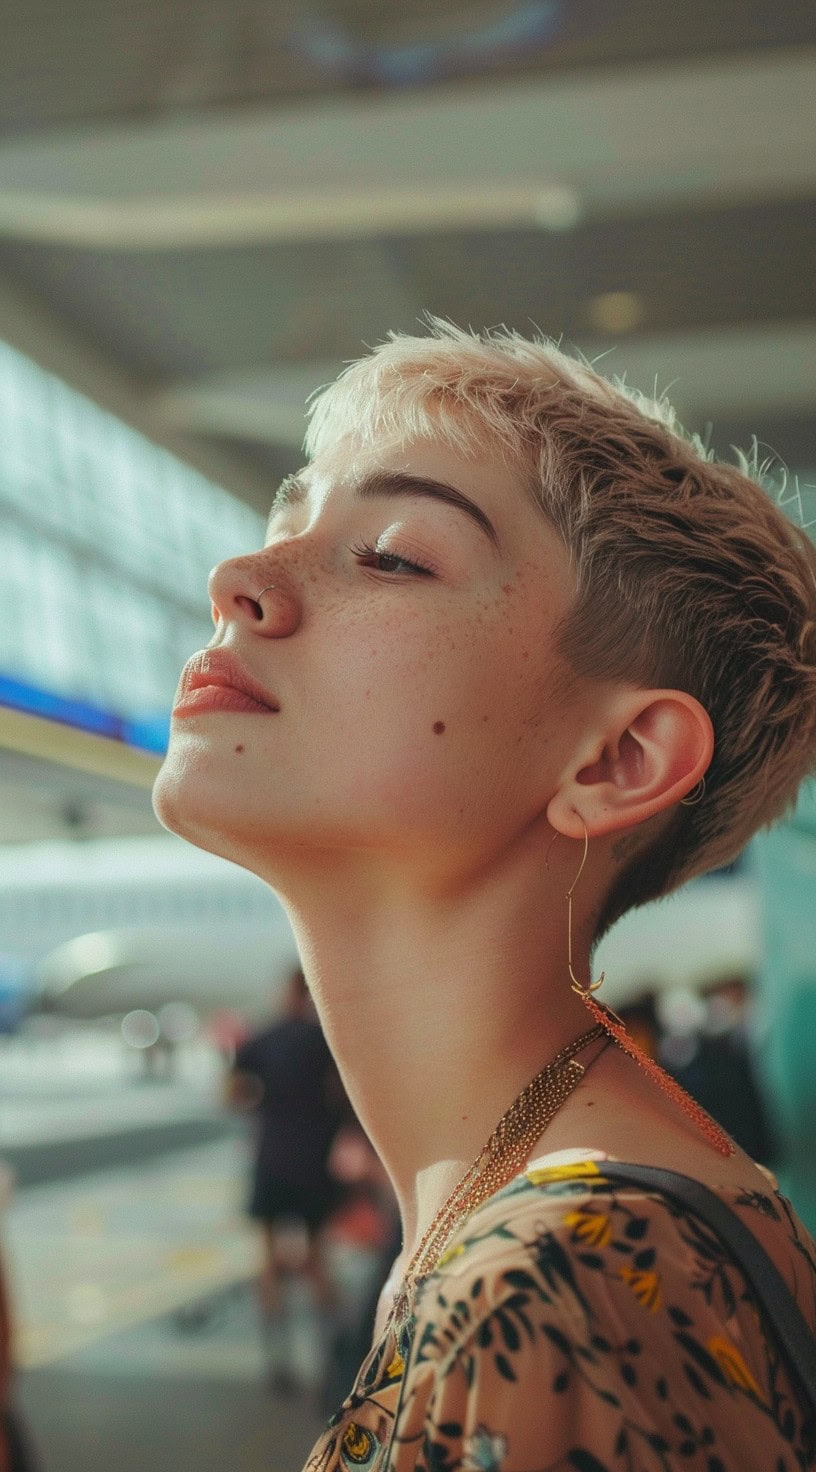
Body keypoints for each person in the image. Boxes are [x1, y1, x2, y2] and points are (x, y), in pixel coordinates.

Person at [154, 318, 816, 1470]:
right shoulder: (588, 1214)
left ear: (616, 761)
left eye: (393, 554)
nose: (241, 580)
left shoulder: (555, 1284)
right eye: (285, 521)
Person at [225, 967, 350, 1393]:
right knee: (317, 1261)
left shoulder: (261, 1039)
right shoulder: (325, 1041)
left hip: (272, 1159)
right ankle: (328, 1360)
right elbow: (343, 1096)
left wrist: (265, 1101)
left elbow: (231, 1094)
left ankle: (277, 1359)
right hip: (315, 1162)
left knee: (266, 1262)